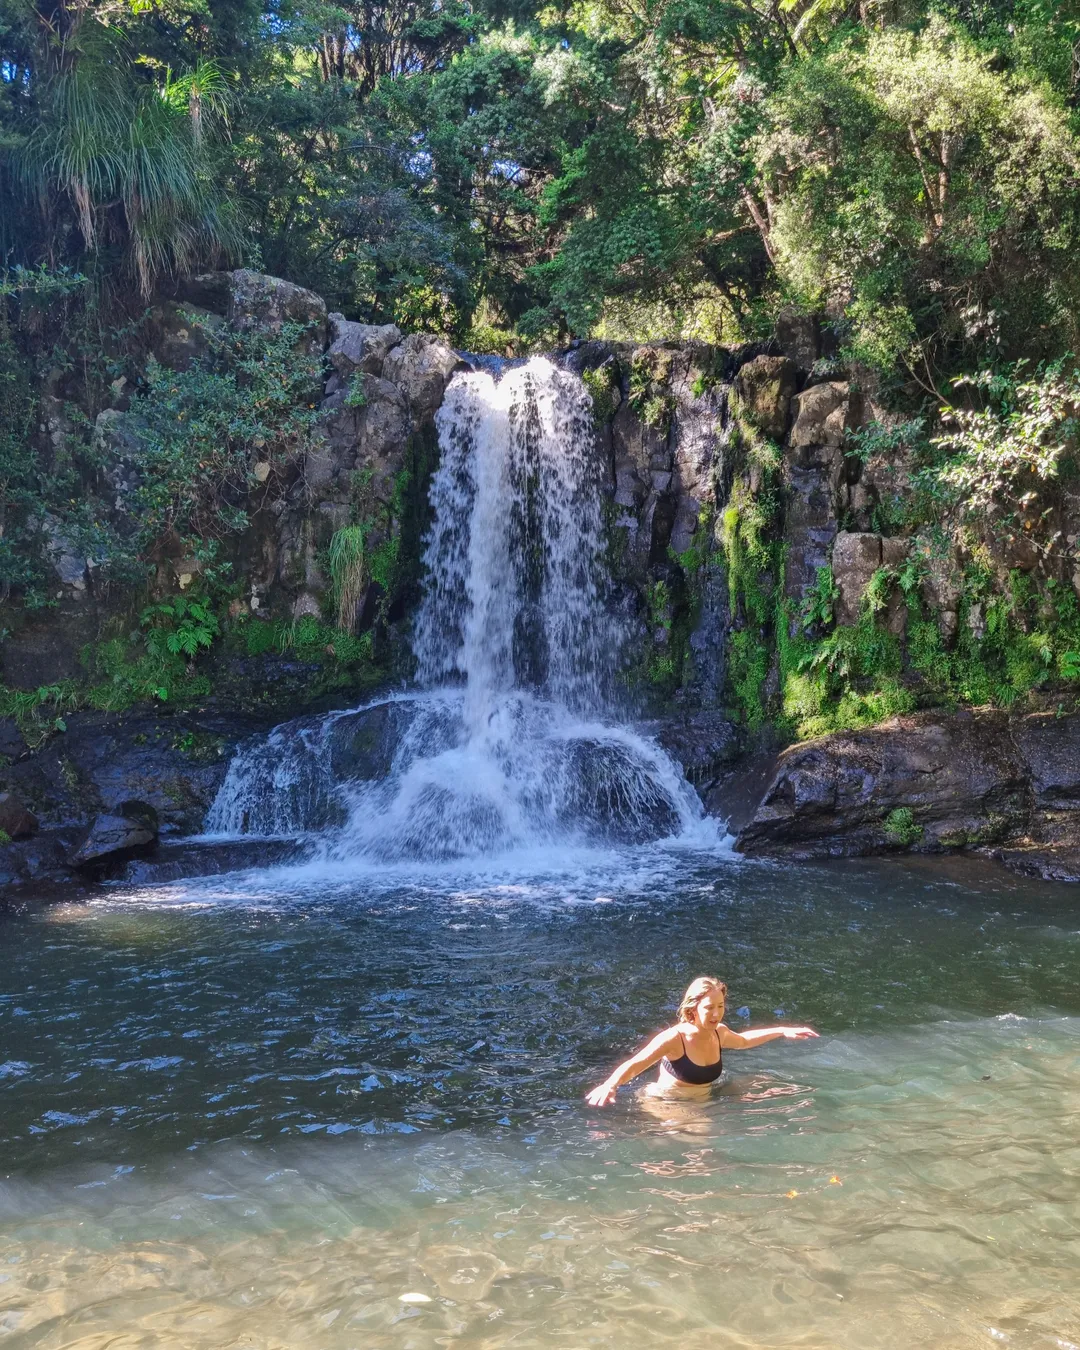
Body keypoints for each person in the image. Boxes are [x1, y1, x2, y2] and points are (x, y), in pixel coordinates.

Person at [585, 975, 818, 1106]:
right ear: (692, 1008)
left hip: (708, 1094)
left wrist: (783, 1030)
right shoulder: (674, 1038)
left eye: (720, 1006)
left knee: (772, 1086)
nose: (716, 1014)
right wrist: (610, 1085)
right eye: (709, 1008)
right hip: (670, 1103)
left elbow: (744, 1041)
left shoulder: (719, 1032)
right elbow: (636, 1064)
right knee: (705, 1142)